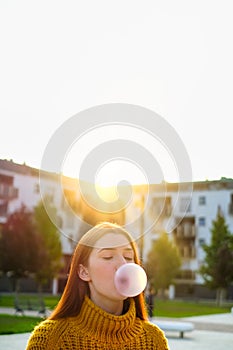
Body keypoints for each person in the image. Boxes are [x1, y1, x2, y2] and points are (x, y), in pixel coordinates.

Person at [26, 222, 169, 349]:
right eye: (108, 256)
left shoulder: (154, 341)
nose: (123, 264)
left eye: (128, 257)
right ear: (84, 272)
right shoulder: (49, 340)